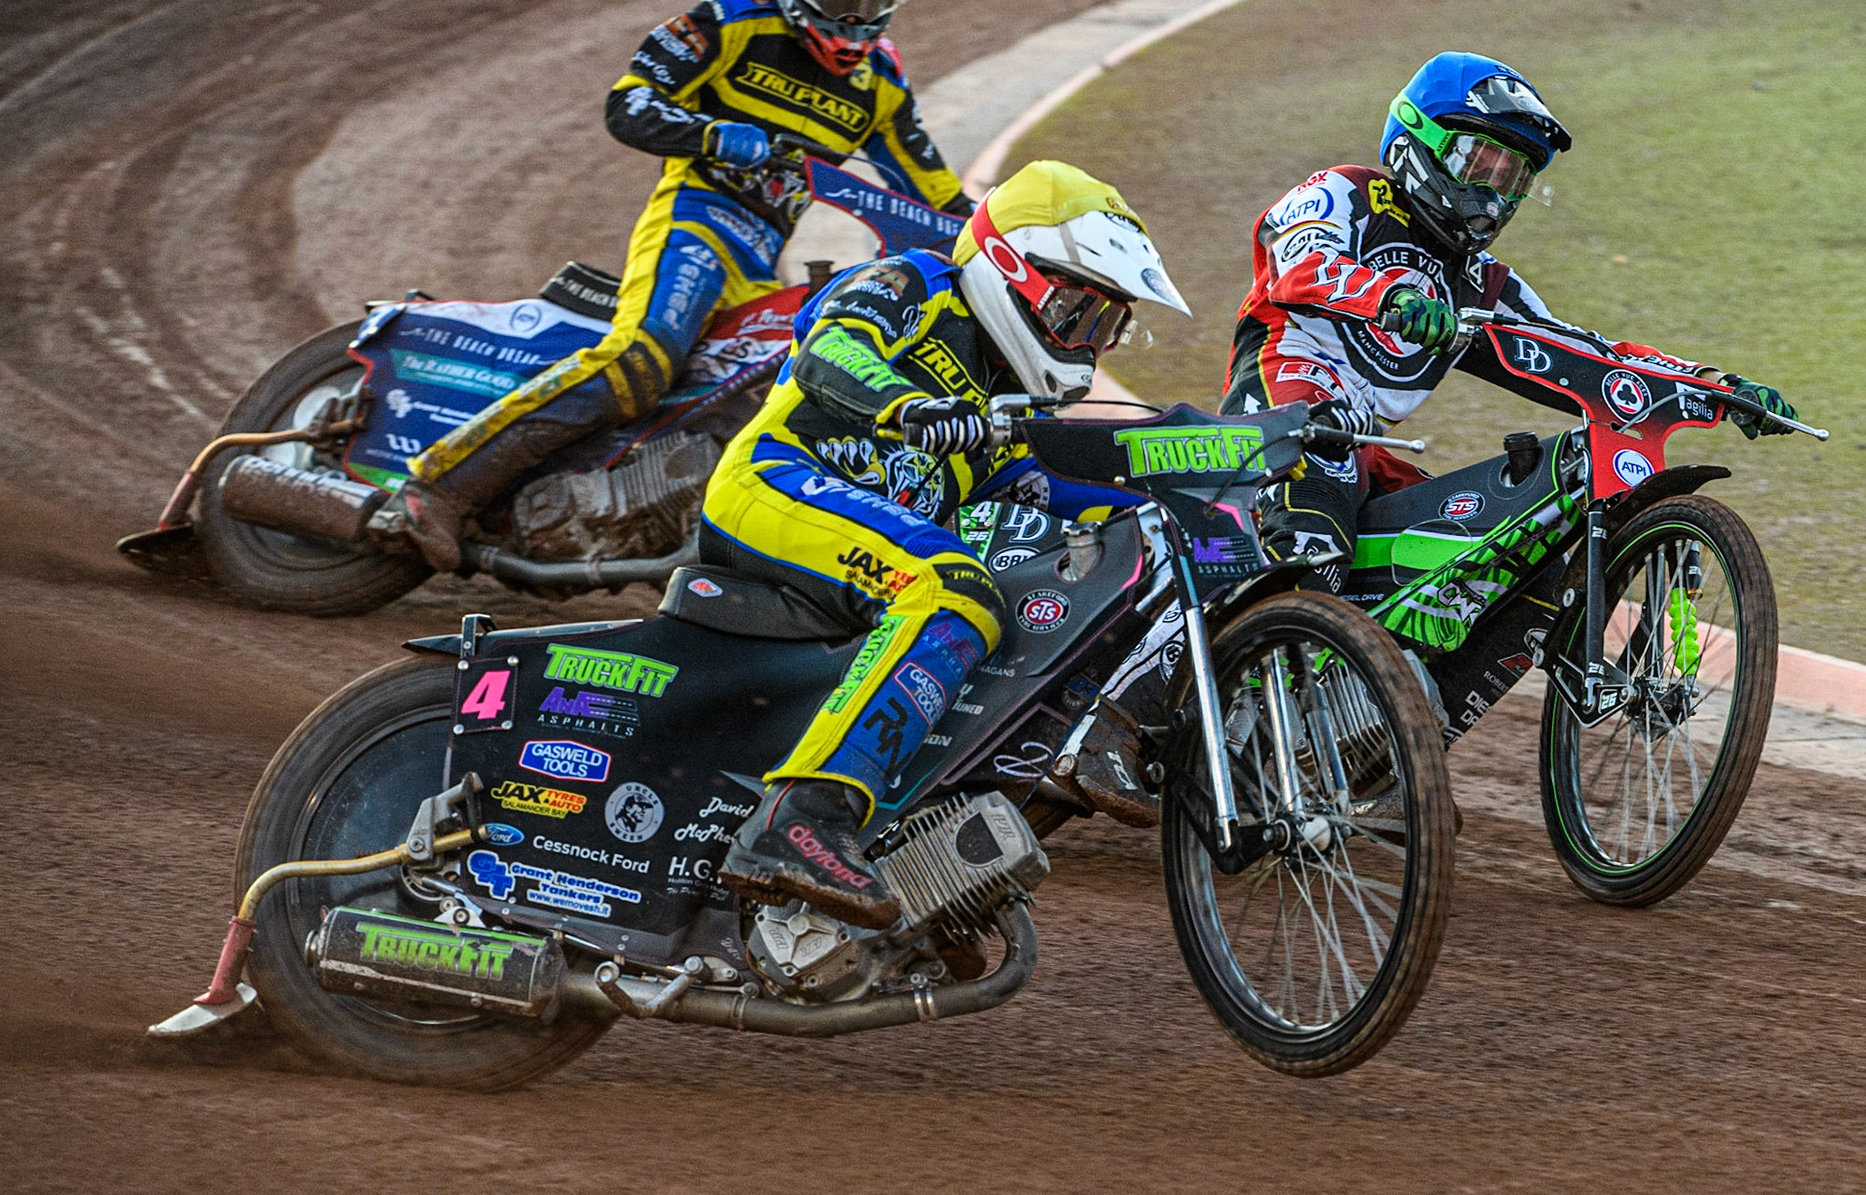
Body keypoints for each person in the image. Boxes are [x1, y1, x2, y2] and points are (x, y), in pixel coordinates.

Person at [372, 0, 973, 570]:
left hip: (761, 259)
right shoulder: (733, 20)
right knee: (643, 359)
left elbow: (937, 194)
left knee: (766, 396)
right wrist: (712, 135)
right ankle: (439, 487)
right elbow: (629, 103)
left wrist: (1014, 247)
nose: (858, 19)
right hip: (697, 220)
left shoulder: (881, 81)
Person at [709, 160, 1190, 928]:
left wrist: (1179, 466)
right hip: (776, 484)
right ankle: (798, 820)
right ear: (1010, 268)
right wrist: (907, 406)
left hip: (865, 549)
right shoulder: (912, 284)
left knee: (1013, 600)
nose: (1085, 340)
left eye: (1105, 324)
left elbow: (1047, 483)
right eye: (1075, 312)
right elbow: (828, 351)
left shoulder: (1011, 398)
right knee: (958, 589)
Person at [1222, 51, 1798, 591]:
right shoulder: (1348, 190)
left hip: (1368, 451)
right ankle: (1248, 673)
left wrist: (1712, 385)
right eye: (1478, 164)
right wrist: (1391, 299)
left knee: (1499, 574)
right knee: (1318, 534)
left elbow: (1587, 355)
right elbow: (1299, 264)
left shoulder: (1485, 282)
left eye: (1512, 179)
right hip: (1285, 409)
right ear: (1419, 141)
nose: (1493, 196)